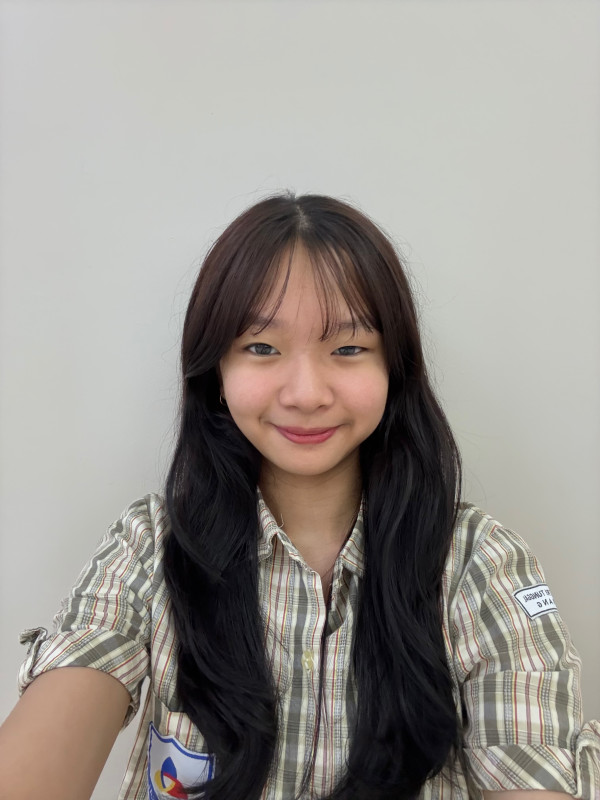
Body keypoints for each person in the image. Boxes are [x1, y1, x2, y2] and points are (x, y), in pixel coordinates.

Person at [0, 193, 598, 800]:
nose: (306, 394)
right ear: (216, 370)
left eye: (348, 349)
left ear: (393, 368)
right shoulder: (151, 548)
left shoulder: (479, 563)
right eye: (262, 347)